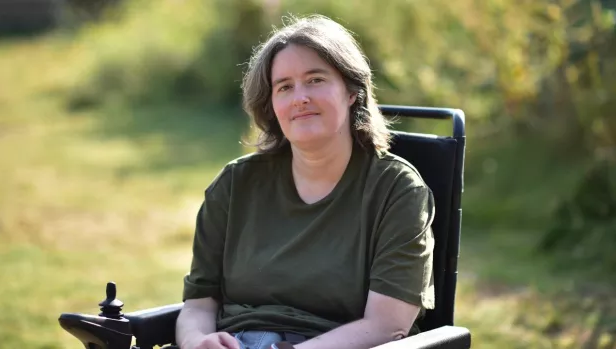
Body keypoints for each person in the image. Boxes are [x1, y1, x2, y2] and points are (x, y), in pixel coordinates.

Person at [176, 14, 436, 349]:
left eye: (315, 80)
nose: (300, 98)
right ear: (272, 104)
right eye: (284, 86)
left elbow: (386, 326)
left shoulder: (397, 191)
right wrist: (198, 342)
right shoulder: (234, 184)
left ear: (351, 91)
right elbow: (198, 305)